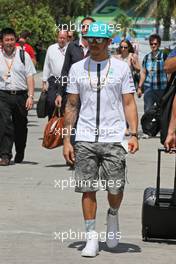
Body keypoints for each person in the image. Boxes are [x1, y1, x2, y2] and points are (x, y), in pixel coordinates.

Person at [63, 22, 139, 257]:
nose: (93, 43)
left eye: (99, 39)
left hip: (114, 137)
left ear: (108, 42)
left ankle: (113, 215)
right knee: (88, 189)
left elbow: (128, 102)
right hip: (84, 137)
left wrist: (134, 133)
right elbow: (72, 105)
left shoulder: (121, 68)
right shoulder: (77, 68)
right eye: (90, 39)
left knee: (115, 188)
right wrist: (67, 139)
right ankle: (91, 238)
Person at [0, 28, 36, 165]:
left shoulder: (23, 55)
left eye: (11, 39)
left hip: (21, 95)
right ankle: (5, 155)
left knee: (20, 125)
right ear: (2, 42)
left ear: (15, 40)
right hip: (3, 94)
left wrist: (31, 96)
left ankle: (20, 150)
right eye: (6, 40)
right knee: (5, 124)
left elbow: (30, 76)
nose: (9, 42)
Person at [55, 16, 95, 108]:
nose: (85, 29)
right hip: (73, 92)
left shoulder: (97, 48)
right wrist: (60, 93)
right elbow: (65, 70)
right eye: (83, 26)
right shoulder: (72, 46)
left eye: (88, 27)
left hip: (92, 94)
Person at [137, 34, 168, 112]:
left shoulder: (164, 56)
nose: (153, 45)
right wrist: (140, 87)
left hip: (162, 89)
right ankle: (148, 124)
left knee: (162, 112)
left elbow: (169, 72)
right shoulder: (146, 57)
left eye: (155, 43)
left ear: (159, 44)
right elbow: (143, 73)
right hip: (149, 89)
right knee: (148, 111)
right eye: (151, 44)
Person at [42, 30, 68, 119]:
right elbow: (47, 65)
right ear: (57, 38)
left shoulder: (70, 49)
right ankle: (52, 120)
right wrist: (44, 81)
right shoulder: (51, 48)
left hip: (66, 80)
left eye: (64, 38)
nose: (62, 40)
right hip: (53, 79)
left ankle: (62, 123)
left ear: (67, 39)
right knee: (50, 101)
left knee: (64, 103)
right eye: (60, 38)